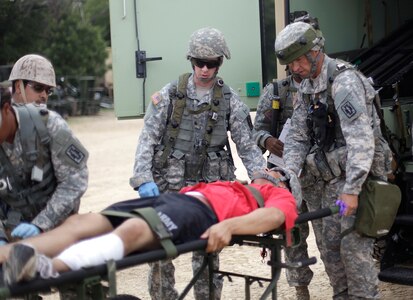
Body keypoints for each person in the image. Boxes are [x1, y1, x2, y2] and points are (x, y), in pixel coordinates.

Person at [130, 27, 266, 299]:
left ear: (220, 63)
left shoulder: (229, 100)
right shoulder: (169, 95)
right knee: (160, 252)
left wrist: (261, 180)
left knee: (208, 251)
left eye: (211, 63)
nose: (204, 69)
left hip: (209, 189)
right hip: (169, 184)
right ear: (190, 60)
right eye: (198, 62)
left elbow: (247, 146)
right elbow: (147, 139)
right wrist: (143, 179)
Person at [1, 168, 298, 290]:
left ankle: (46, 268)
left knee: (133, 231)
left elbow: (273, 217)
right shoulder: (238, 184)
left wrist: (228, 226)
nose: (268, 170)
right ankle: (8, 255)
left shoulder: (277, 195)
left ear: (282, 182)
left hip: (201, 213)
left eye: (276, 171)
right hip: (173, 199)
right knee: (82, 222)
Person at [274, 21, 392, 299]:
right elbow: (298, 138)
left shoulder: (344, 82)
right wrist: (288, 176)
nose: (294, 69)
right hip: (329, 187)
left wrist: (352, 191)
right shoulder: (307, 87)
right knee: (331, 254)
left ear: (315, 52)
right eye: (290, 64)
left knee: (354, 256)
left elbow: (362, 141)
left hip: (356, 185)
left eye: (298, 61)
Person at [253, 15, 325, 300]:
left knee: (328, 233)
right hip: (286, 175)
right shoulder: (277, 91)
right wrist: (269, 141)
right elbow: (256, 131)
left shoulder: (328, 84)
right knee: (292, 237)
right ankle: (301, 291)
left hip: (319, 176)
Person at [0, 82, 88, 246]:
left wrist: (41, 225)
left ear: (6, 110)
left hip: (58, 229)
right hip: (13, 233)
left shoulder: (48, 124)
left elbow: (75, 181)